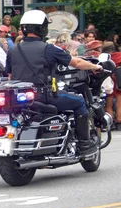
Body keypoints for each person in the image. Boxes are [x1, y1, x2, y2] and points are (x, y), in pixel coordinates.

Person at [6, 10, 102, 155]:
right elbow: (76, 62)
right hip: (44, 96)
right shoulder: (48, 49)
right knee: (79, 101)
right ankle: (84, 144)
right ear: (42, 28)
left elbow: (10, 76)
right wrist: (96, 66)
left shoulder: (13, 49)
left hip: (19, 99)